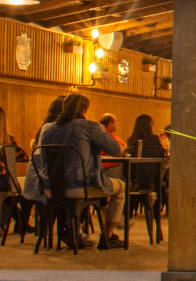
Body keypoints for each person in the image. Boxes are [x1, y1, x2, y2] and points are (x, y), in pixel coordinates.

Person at [32, 93, 126, 249]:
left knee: (83, 190)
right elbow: (115, 149)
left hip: (51, 188)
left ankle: (73, 230)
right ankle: (108, 236)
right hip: (81, 186)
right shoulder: (88, 126)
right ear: (84, 110)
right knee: (121, 187)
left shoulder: (48, 129)